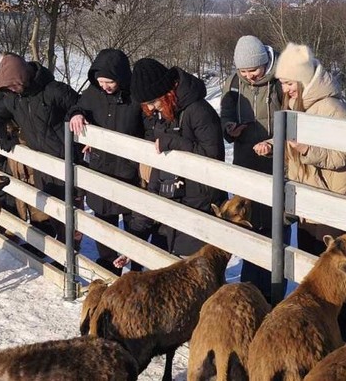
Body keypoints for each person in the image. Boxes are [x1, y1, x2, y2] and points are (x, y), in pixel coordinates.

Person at [275, 42, 346, 341]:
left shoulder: (332, 107)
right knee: (314, 272)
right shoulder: (298, 105)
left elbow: (344, 154)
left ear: (302, 80)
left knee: (337, 276)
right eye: (283, 83)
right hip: (310, 201)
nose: (286, 89)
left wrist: (307, 150)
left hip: (334, 202)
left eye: (289, 83)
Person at [0, 53, 79, 243]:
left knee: (70, 212)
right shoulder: (13, 97)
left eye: (14, 85)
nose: (11, 89)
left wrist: (77, 114)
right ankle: (62, 255)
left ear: (23, 76)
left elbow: (80, 105)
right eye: (8, 87)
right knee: (53, 211)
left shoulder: (54, 90)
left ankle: (71, 261)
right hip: (40, 162)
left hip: (66, 158)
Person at [68, 49, 157, 274]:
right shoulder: (93, 93)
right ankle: (108, 267)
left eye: (110, 81)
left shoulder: (135, 97)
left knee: (133, 222)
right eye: (101, 81)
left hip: (129, 169)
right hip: (101, 167)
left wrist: (144, 153)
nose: (105, 86)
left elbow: (149, 128)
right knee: (103, 218)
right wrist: (77, 113)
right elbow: (77, 106)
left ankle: (136, 270)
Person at [131, 57, 226, 257]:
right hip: (172, 199)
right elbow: (160, 161)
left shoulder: (199, 111)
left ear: (168, 92)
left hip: (200, 202)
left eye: (153, 102)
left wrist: (173, 142)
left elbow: (212, 157)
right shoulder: (164, 113)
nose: (150, 109)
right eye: (145, 104)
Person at [220, 35, 284, 299]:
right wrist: (229, 129)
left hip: (276, 165)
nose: (249, 76)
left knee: (273, 227)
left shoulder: (281, 81)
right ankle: (248, 289)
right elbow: (225, 114)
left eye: (253, 70)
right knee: (248, 224)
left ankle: (272, 292)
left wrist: (273, 142)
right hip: (245, 161)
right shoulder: (234, 83)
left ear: (265, 62)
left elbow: (293, 120)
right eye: (244, 71)